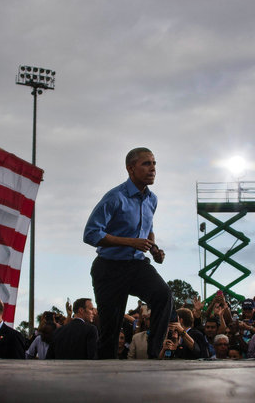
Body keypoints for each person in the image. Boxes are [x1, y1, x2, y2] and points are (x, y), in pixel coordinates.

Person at [83, 147, 173, 360]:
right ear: (130, 168)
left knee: (163, 295)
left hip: (137, 265)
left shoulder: (152, 199)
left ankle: (153, 354)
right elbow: (91, 233)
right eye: (146, 164)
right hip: (109, 267)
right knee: (110, 332)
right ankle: (104, 378)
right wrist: (130, 242)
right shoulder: (115, 197)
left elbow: (148, 228)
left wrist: (154, 249)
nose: (153, 169)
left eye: (154, 164)